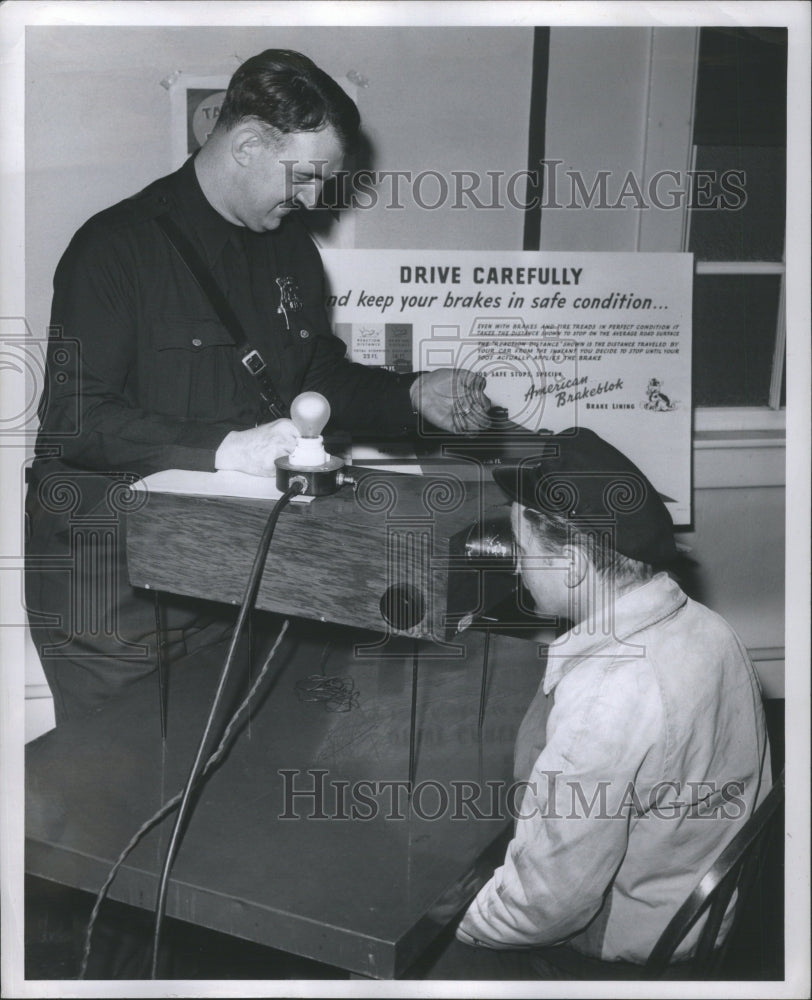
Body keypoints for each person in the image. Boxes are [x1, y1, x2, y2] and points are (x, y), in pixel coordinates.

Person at [25, 48, 490, 725]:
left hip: (230, 573)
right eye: (304, 176)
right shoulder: (115, 248)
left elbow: (314, 379)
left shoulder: (289, 249)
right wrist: (225, 448)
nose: (311, 198)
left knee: (230, 787)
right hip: (111, 592)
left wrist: (411, 394)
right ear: (246, 143)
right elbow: (76, 419)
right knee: (119, 789)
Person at [418, 426, 772, 979]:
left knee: (410, 958)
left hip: (622, 950)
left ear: (575, 566)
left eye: (524, 549)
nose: (515, 566)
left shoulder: (609, 698)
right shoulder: (709, 627)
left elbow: (543, 909)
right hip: (691, 897)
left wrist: (448, 926)